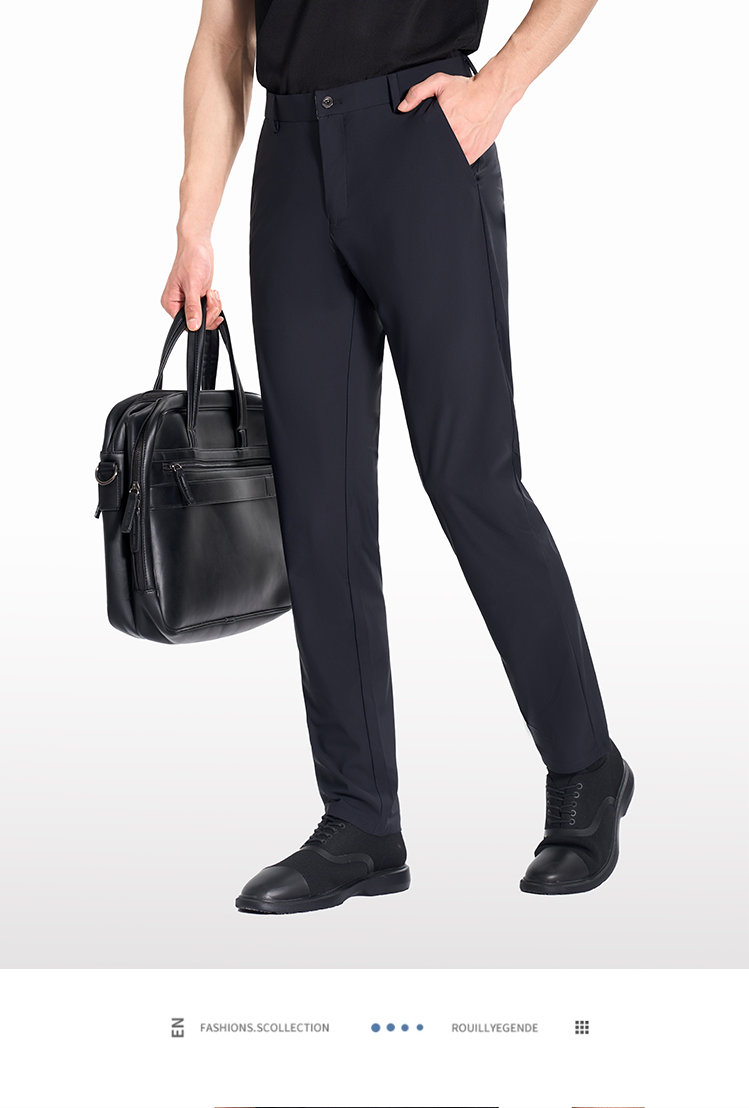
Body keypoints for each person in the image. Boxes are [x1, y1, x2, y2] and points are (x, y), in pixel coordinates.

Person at [161, 0, 634, 914]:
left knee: (469, 479)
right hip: (292, 164)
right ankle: (361, 821)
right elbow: (223, 35)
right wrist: (194, 220)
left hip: (421, 140)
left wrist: (499, 87)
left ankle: (586, 767)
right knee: (318, 510)